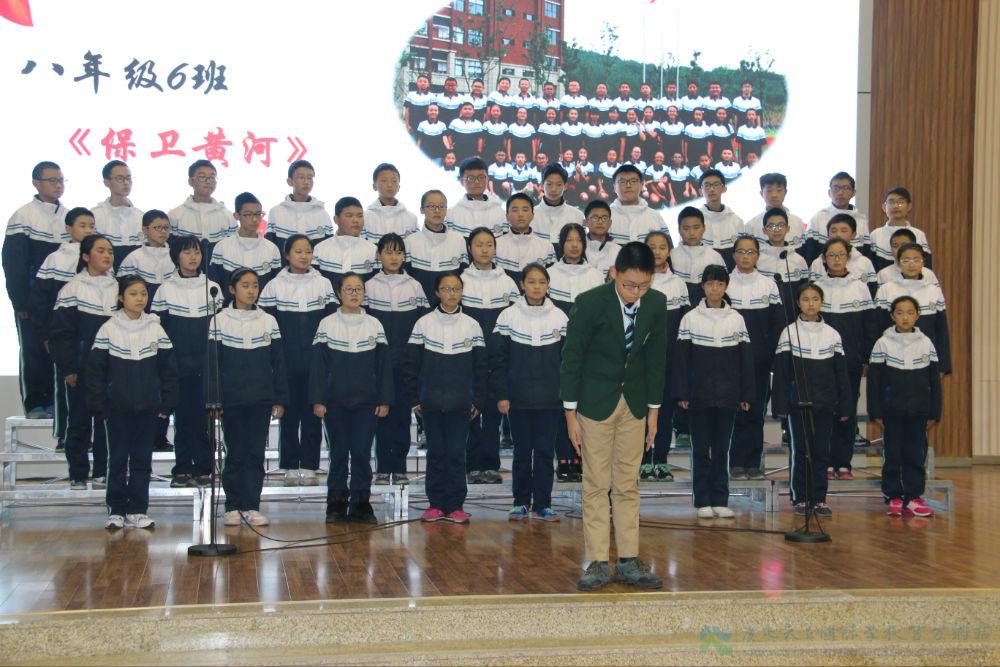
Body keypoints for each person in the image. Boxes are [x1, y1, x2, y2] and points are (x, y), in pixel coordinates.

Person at [562, 242, 666, 592]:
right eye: (629, 285)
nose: (636, 293)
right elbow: (572, 358)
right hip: (594, 403)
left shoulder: (656, 304)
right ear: (614, 274)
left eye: (643, 286)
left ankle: (628, 559)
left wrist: (654, 411)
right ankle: (596, 561)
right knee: (596, 483)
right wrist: (570, 413)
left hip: (634, 403)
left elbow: (657, 359)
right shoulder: (589, 303)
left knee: (627, 483)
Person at [87, 276, 178, 529]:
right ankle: (116, 510)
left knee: (141, 460)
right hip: (117, 409)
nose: (139, 299)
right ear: (121, 298)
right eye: (133, 294)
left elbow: (169, 371)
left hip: (148, 408)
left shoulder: (156, 329)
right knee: (117, 460)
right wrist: (101, 404)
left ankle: (138, 509)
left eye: (143, 294)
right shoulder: (108, 329)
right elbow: (95, 372)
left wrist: (166, 404)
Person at [403, 273, 488, 524]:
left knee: (456, 454)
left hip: (461, 404)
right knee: (436, 453)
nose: (452, 293)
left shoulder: (472, 325)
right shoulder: (423, 323)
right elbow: (410, 365)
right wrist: (415, 399)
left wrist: (478, 401)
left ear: (462, 292)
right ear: (437, 292)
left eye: (456, 288)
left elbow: (481, 368)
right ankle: (435, 505)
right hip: (430, 403)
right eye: (446, 289)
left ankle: (455, 506)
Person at [311, 273, 393, 524]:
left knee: (361, 453)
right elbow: (318, 367)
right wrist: (318, 399)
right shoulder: (326, 324)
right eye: (349, 289)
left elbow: (383, 366)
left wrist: (384, 399)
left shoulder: (374, 324)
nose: (354, 294)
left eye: (359, 289)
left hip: (367, 402)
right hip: (334, 402)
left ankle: (361, 504)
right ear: (339, 294)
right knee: (338, 453)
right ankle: (336, 503)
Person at [673, 265, 753, 519]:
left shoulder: (736, 319)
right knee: (700, 450)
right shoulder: (690, 318)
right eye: (710, 284)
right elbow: (682, 361)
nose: (715, 288)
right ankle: (702, 500)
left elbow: (745, 360)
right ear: (703, 286)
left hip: (728, 396)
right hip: (699, 396)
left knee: (721, 450)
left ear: (726, 286)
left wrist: (745, 394)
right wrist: (683, 393)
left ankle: (720, 499)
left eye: (719, 284)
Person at [492, 263, 568, 521]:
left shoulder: (560, 317)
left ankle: (543, 504)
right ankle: (521, 502)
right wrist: (502, 395)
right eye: (531, 282)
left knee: (545, 453)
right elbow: (499, 360)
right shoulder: (507, 316)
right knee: (522, 453)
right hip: (518, 399)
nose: (537, 287)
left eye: (542, 282)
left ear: (548, 286)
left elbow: (568, 362)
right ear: (522, 285)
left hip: (551, 399)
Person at [213, 268, 289, 528]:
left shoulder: (268, 320)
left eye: (255, 285)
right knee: (235, 452)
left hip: (260, 398)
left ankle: (251, 505)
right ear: (232, 289)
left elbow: (278, 363)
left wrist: (279, 398)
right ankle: (233, 506)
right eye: (245, 285)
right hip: (232, 399)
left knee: (255, 453)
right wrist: (215, 399)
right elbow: (213, 364)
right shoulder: (219, 320)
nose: (251, 290)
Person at [259, 235, 337, 486]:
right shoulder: (274, 286)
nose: (304, 256)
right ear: (287, 255)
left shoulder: (324, 284)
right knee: (289, 416)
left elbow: (330, 322)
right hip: (287, 361)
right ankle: (291, 466)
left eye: (308, 251)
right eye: (298, 251)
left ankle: (311, 465)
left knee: (314, 414)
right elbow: (267, 324)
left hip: (316, 362)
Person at [771, 283, 852, 517]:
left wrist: (844, 405)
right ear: (798, 303)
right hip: (798, 404)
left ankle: (819, 499)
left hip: (825, 403)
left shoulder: (832, 334)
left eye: (815, 299)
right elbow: (782, 373)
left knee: (821, 452)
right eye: (805, 299)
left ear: (821, 302)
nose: (810, 304)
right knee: (801, 451)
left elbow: (841, 374)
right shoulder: (789, 332)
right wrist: (780, 405)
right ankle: (800, 498)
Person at [151, 236, 223, 488]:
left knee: (203, 420)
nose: (193, 257)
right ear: (176, 256)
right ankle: (181, 468)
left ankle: (204, 468)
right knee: (182, 420)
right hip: (177, 364)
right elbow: (159, 330)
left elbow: (220, 329)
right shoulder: (166, 289)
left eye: (197, 252)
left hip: (205, 364)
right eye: (187, 252)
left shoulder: (212, 288)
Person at [49, 235, 117, 490]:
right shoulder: (72, 289)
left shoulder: (118, 287)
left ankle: (102, 471)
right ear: (86, 256)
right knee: (78, 422)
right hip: (80, 368)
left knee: (106, 422)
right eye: (101, 251)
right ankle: (77, 473)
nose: (107, 255)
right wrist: (68, 368)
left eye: (110, 251)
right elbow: (61, 334)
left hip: (110, 369)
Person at [3, 160, 68, 419]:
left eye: (61, 180)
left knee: (59, 348)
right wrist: (20, 301)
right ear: (36, 183)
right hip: (31, 298)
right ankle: (34, 404)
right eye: (52, 180)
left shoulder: (69, 217)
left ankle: (56, 402)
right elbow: (13, 262)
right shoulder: (23, 216)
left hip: (60, 298)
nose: (58, 185)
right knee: (32, 349)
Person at [867, 295, 942, 518]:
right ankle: (894, 496)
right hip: (891, 411)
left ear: (917, 315)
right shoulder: (882, 343)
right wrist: (875, 411)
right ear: (892, 316)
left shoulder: (926, 343)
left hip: (919, 410)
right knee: (893, 454)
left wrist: (934, 411)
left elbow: (934, 382)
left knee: (915, 454)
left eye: (910, 312)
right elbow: (874, 383)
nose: (905, 317)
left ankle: (913, 497)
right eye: (900, 313)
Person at [28, 207, 96, 451]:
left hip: (90, 334)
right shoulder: (55, 259)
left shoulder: (98, 257)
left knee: (91, 387)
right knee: (65, 385)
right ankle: (65, 435)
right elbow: (41, 301)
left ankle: (92, 437)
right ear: (68, 228)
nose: (88, 230)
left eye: (91, 226)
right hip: (64, 334)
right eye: (82, 225)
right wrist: (45, 334)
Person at [366, 234, 429, 485]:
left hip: (406, 364)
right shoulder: (369, 286)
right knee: (381, 415)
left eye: (398, 252)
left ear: (404, 256)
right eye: (388, 252)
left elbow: (423, 326)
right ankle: (383, 468)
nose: (394, 257)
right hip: (379, 365)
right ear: (379, 255)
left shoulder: (414, 286)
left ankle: (400, 468)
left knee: (402, 417)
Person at [813, 238, 878, 481]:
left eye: (841, 254)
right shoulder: (816, 287)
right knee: (824, 411)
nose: (836, 259)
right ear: (824, 259)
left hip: (850, 360)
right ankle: (826, 462)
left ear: (848, 257)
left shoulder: (860, 287)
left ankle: (843, 463)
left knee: (847, 410)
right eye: (831, 255)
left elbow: (869, 326)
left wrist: (866, 358)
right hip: (821, 361)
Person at [461, 227, 521, 486]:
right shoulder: (461, 280)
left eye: (489, 244)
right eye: (479, 245)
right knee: (472, 413)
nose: (484, 250)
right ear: (470, 249)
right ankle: (473, 465)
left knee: (493, 415)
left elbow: (516, 318)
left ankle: (490, 465)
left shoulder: (507, 281)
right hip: (470, 357)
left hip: (498, 358)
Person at [726, 236, 782, 480]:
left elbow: (777, 324)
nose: (745, 256)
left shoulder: (769, 285)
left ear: (758, 255)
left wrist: (770, 356)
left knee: (756, 413)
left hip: (759, 361)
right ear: (733, 255)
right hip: (730, 360)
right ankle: (735, 463)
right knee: (734, 413)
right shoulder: (725, 283)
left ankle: (753, 462)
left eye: (751, 252)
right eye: (741, 251)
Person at [641, 231, 689, 482]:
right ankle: (642, 461)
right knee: (640, 411)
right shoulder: (637, 280)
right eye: (652, 247)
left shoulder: (678, 284)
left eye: (662, 247)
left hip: (669, 360)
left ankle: (660, 460)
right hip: (641, 360)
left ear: (669, 251)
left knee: (665, 411)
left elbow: (683, 324)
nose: (657, 252)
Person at [874, 243, 952, 375]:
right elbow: (877, 327)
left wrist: (943, 366)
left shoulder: (933, 291)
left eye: (916, 260)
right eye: (906, 260)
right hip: (892, 359)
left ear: (923, 262)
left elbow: (941, 330)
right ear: (898, 263)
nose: (911, 264)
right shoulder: (886, 289)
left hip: (924, 358)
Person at [208, 192, 281, 293]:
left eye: (258, 214)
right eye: (248, 214)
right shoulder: (221, 248)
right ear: (236, 216)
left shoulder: (272, 249)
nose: (254, 219)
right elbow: (215, 287)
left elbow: (275, 288)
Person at [405, 190, 468, 307]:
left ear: (446, 210)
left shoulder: (458, 240)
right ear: (422, 210)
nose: (437, 210)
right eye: (431, 206)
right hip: (418, 307)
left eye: (441, 206)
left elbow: (463, 277)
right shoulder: (410, 242)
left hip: (449, 308)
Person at [168, 160, 235, 264]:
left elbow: (232, 250)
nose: (208, 181)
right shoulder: (176, 215)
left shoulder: (228, 215)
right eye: (202, 177)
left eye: (212, 177)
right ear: (190, 181)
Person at [313, 196, 378, 291]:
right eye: (349, 216)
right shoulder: (320, 249)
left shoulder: (373, 250)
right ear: (336, 219)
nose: (356, 220)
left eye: (360, 216)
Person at [756, 208, 809, 324]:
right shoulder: (758, 259)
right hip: (765, 317)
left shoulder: (799, 260)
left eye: (781, 225)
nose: (776, 230)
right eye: (771, 226)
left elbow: (804, 292)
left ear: (788, 228)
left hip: (793, 319)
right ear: (764, 230)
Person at [265, 160, 333, 251]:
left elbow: (328, 249)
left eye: (310, 178)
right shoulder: (276, 212)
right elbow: (270, 248)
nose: (306, 182)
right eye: (301, 177)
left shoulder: (322, 214)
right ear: (290, 181)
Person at [803, 172, 869, 264]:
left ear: (853, 193)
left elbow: (866, 254)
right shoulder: (818, 218)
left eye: (846, 188)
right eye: (836, 188)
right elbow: (809, 253)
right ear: (829, 193)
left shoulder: (861, 220)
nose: (840, 193)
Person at [808, 214, 878, 296]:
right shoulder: (817, 263)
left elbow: (871, 293)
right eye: (833, 231)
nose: (838, 234)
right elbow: (812, 292)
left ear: (853, 235)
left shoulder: (864, 263)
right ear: (828, 234)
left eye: (844, 231)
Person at [92, 160, 142, 270]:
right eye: (120, 178)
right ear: (106, 182)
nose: (126, 183)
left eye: (128, 178)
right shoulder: (95, 215)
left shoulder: (141, 216)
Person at [671, 207, 726, 306]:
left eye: (696, 228)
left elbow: (723, 288)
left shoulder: (715, 257)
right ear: (679, 229)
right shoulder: (672, 256)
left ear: (704, 228)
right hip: (678, 309)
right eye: (686, 228)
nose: (692, 233)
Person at [869, 187, 932, 272]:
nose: (896, 206)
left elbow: (926, 267)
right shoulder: (875, 235)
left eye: (901, 202)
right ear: (884, 207)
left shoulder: (919, 234)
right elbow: (870, 268)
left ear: (909, 206)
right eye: (891, 202)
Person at [494, 193, 555, 281]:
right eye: (515, 210)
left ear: (532, 215)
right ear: (507, 216)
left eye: (525, 210)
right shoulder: (496, 245)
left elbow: (551, 280)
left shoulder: (547, 247)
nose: (520, 214)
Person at [119, 210, 174, 305]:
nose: (163, 231)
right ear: (145, 230)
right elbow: (124, 289)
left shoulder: (175, 256)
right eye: (158, 227)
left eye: (166, 227)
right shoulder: (133, 258)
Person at [446, 158, 508, 238]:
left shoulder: (501, 214)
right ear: (461, 182)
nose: (477, 182)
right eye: (471, 178)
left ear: (487, 179)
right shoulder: (451, 215)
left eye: (481, 177)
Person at [743, 173, 806, 253]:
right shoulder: (751, 226)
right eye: (769, 191)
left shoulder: (797, 222)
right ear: (761, 194)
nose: (774, 195)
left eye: (779, 190)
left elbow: (803, 253)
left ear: (785, 192)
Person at [609, 164, 669, 243]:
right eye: (622, 182)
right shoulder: (606, 217)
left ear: (641, 185)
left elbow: (667, 248)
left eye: (633, 181)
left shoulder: (655, 216)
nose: (628, 185)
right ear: (614, 187)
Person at [699, 169, 744, 270]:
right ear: (700, 191)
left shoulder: (736, 221)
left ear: (724, 188)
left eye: (716, 184)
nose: (711, 189)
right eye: (707, 185)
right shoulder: (694, 221)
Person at [363, 163, 419, 243]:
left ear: (399, 187)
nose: (389, 185)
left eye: (394, 181)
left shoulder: (411, 219)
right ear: (374, 186)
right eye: (384, 180)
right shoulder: (365, 218)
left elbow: (415, 247)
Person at [532, 164, 584, 248]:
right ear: (542, 185)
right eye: (549, 184)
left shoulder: (578, 215)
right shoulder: (530, 215)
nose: (554, 189)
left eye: (559, 184)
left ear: (565, 186)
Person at [876, 228, 940, 286]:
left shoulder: (928, 274)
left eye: (904, 245)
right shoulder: (884, 274)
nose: (899, 249)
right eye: (895, 246)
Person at [582, 199, 621, 278]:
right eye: (595, 218)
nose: (600, 222)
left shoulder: (619, 252)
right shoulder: (578, 248)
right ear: (585, 222)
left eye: (604, 218)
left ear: (610, 223)